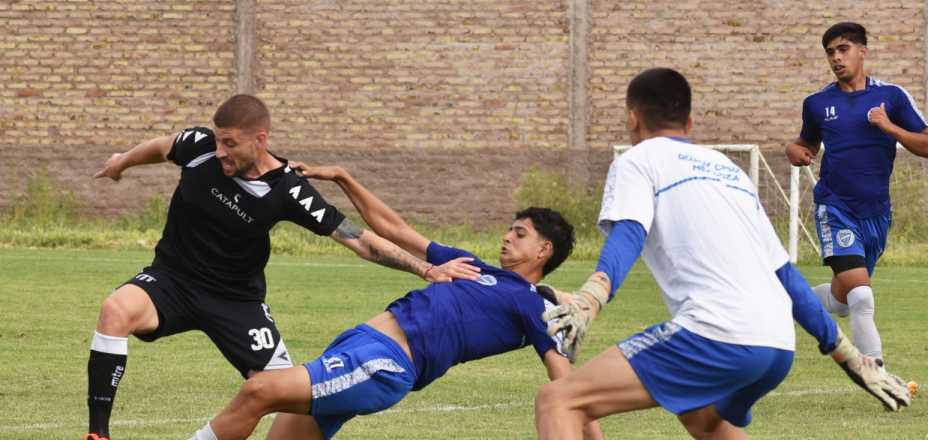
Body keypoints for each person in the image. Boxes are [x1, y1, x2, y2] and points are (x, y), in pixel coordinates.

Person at [534, 68, 911, 440]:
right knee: (702, 419)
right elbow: (786, 276)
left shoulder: (639, 160)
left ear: (633, 118)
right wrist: (847, 354)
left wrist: (590, 299)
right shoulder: (728, 169)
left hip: (717, 335)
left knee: (558, 401)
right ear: (690, 121)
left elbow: (629, 233)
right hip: (777, 346)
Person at [85, 94, 477, 440]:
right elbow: (160, 146)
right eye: (218, 139)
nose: (220, 150)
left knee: (280, 391)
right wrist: (122, 162)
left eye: (230, 143)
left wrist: (424, 269)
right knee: (115, 309)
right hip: (172, 280)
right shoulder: (200, 145)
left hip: (236, 301)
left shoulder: (287, 189)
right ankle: (98, 433)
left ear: (260, 140)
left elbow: (356, 237)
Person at [185, 162, 591, 440]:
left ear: (544, 251)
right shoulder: (471, 266)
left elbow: (568, 387)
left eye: (520, 233)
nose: (507, 236)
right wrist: (343, 177)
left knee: (260, 391)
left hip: (385, 364)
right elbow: (394, 228)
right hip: (353, 344)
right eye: (509, 229)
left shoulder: (532, 305)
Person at [785, 22, 928, 362]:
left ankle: (781, 302)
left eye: (843, 49)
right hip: (835, 207)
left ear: (863, 51)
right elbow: (806, 142)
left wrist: (889, 127)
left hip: (876, 213)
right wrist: (795, 150)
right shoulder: (817, 103)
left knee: (843, 300)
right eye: (830, 52)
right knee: (861, 297)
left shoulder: (891, 97)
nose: (836, 57)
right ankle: (875, 372)